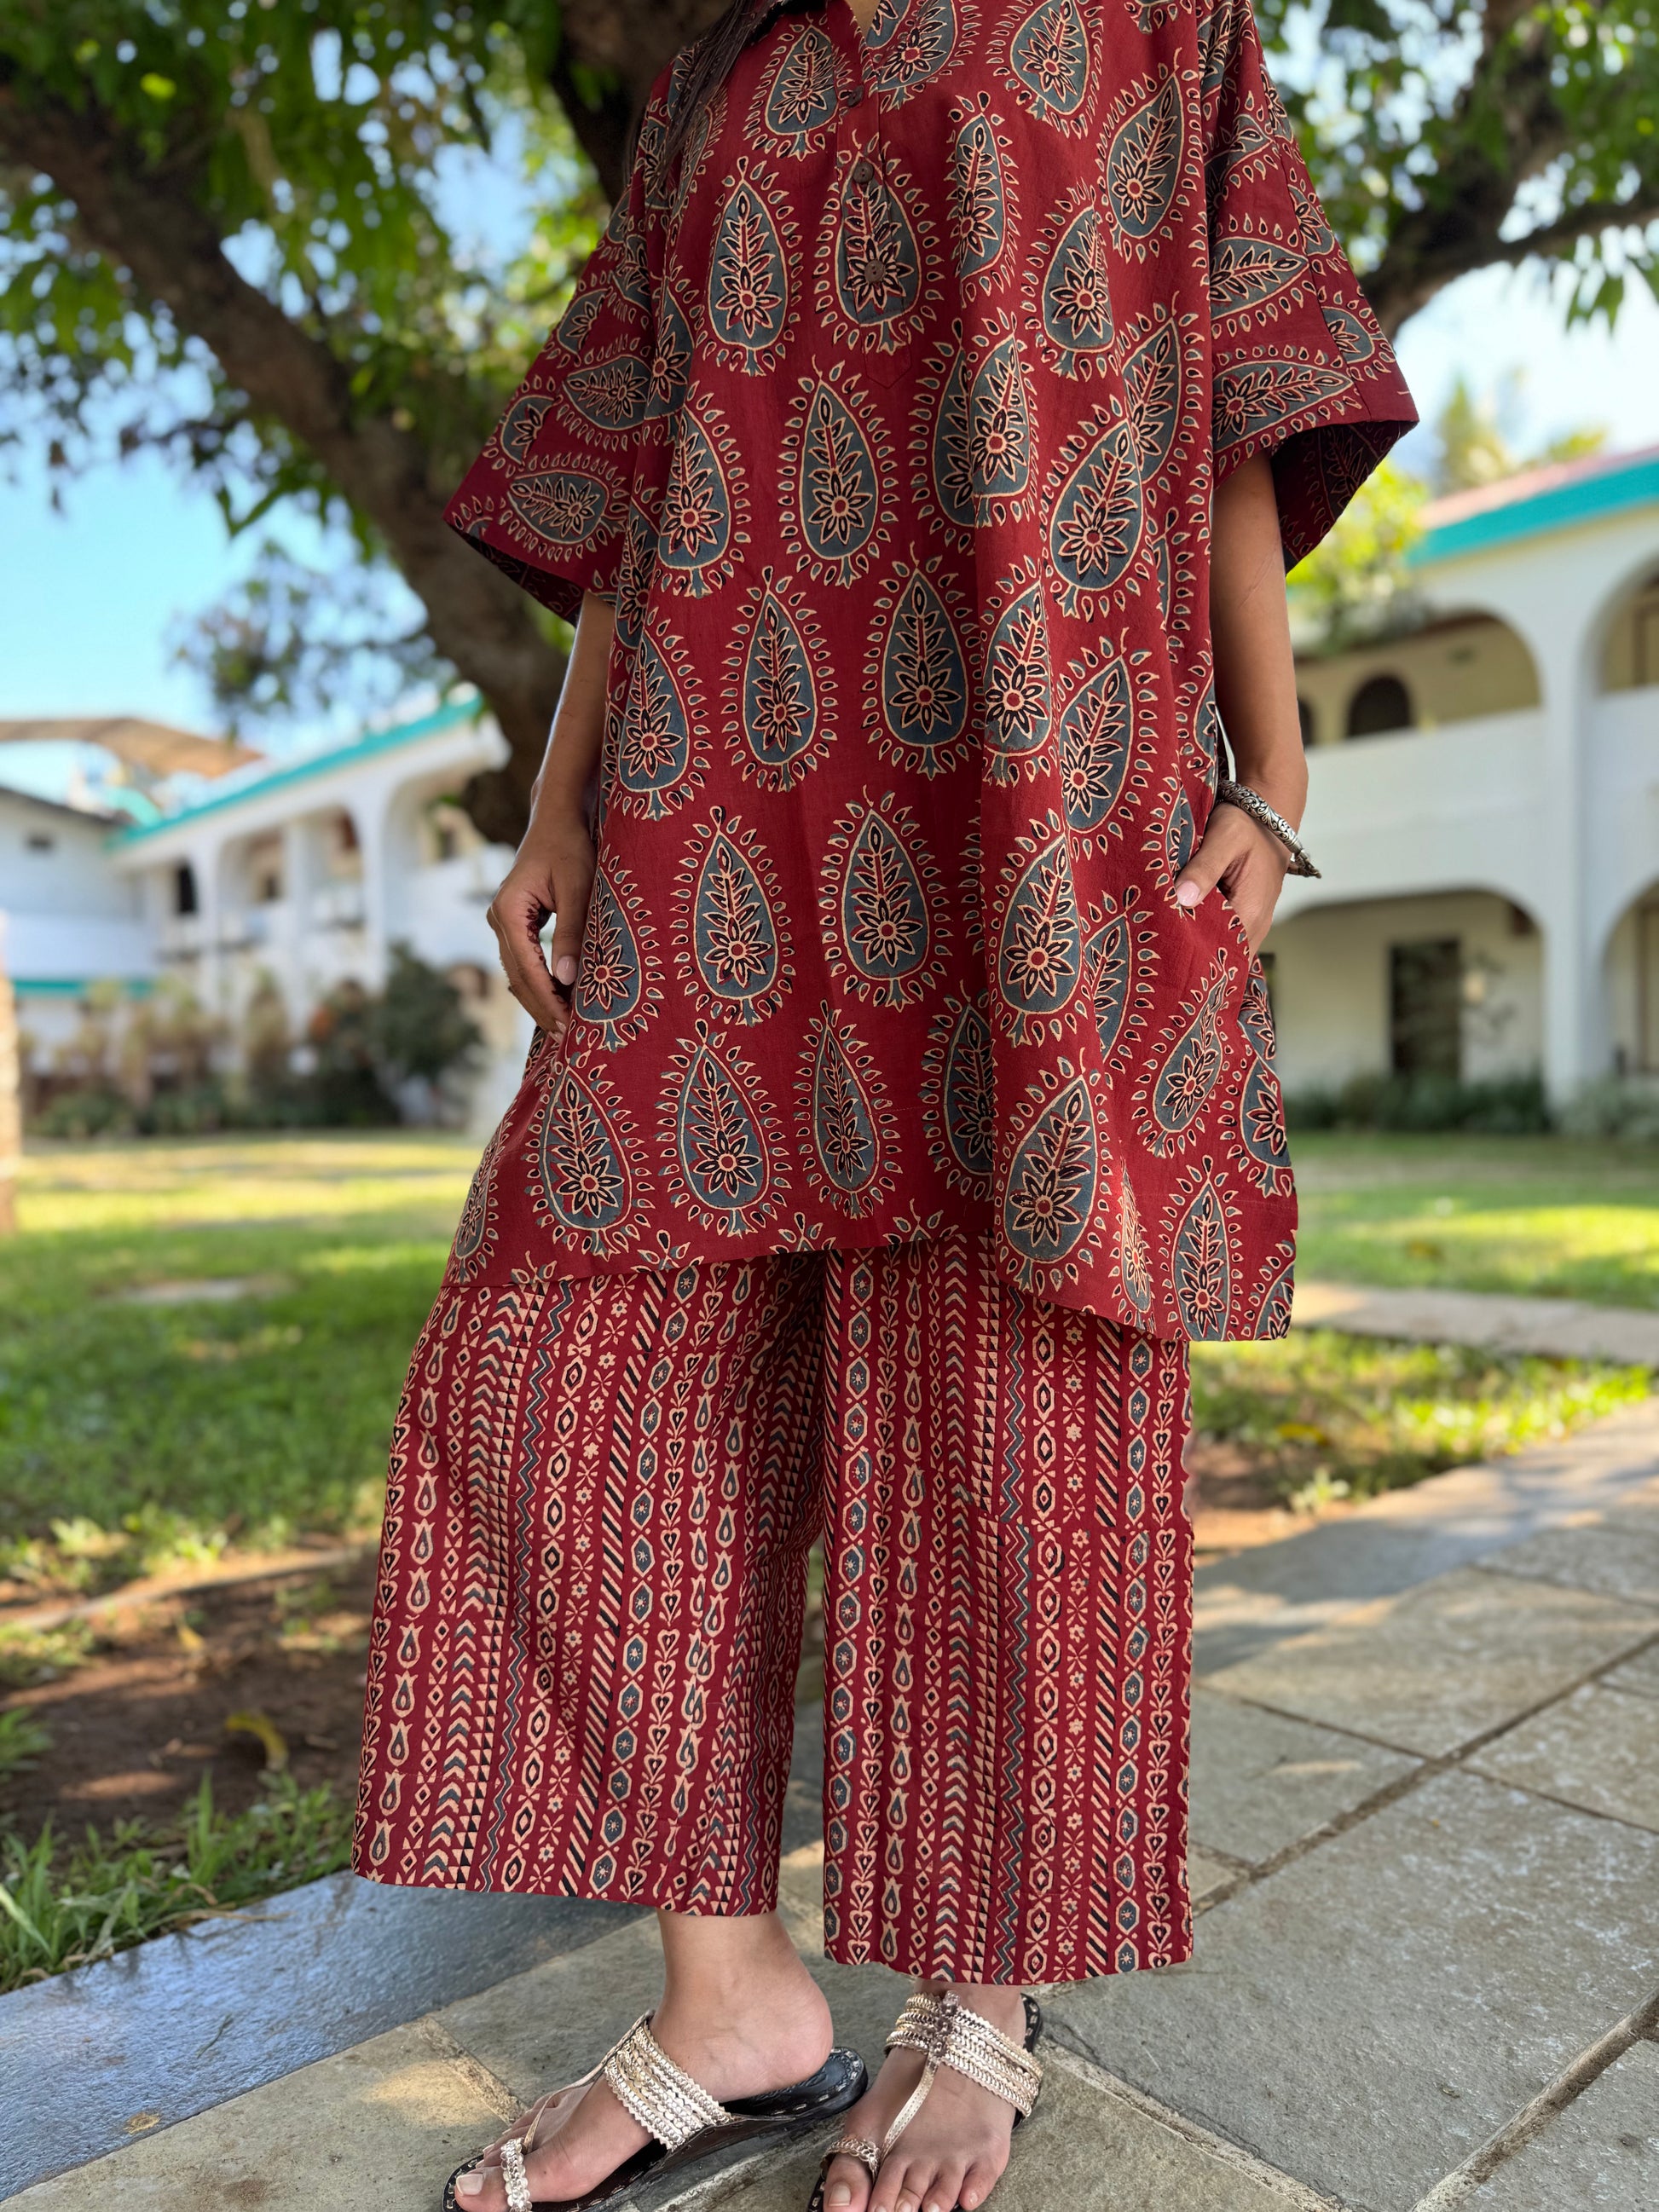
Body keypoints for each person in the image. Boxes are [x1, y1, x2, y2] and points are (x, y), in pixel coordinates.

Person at [353, 2, 1416, 2207]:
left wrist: (1273, 764)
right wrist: (558, 797)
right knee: (562, 1377)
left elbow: (1230, 373)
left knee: (1003, 1387)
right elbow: (640, 465)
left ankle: (982, 1991)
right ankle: (729, 1992)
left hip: (1035, 773)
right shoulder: (708, 73)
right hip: (708, 780)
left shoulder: (1156, 19)